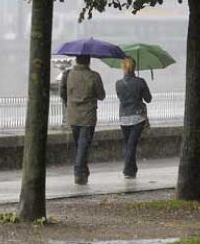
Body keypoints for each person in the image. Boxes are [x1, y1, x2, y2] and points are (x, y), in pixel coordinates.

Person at [60, 55, 105, 185]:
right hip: (88, 116)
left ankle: (83, 171)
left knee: (79, 145)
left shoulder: (67, 74)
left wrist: (71, 103)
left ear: (76, 60)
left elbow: (62, 93)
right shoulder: (94, 76)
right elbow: (101, 95)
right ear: (89, 61)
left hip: (73, 116)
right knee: (84, 145)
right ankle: (79, 173)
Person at [115, 57, 152, 179]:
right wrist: (140, 87)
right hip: (137, 117)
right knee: (132, 144)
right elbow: (148, 99)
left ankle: (132, 169)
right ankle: (127, 170)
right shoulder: (140, 82)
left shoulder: (118, 84)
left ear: (123, 68)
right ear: (134, 67)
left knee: (129, 144)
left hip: (124, 118)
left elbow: (122, 98)